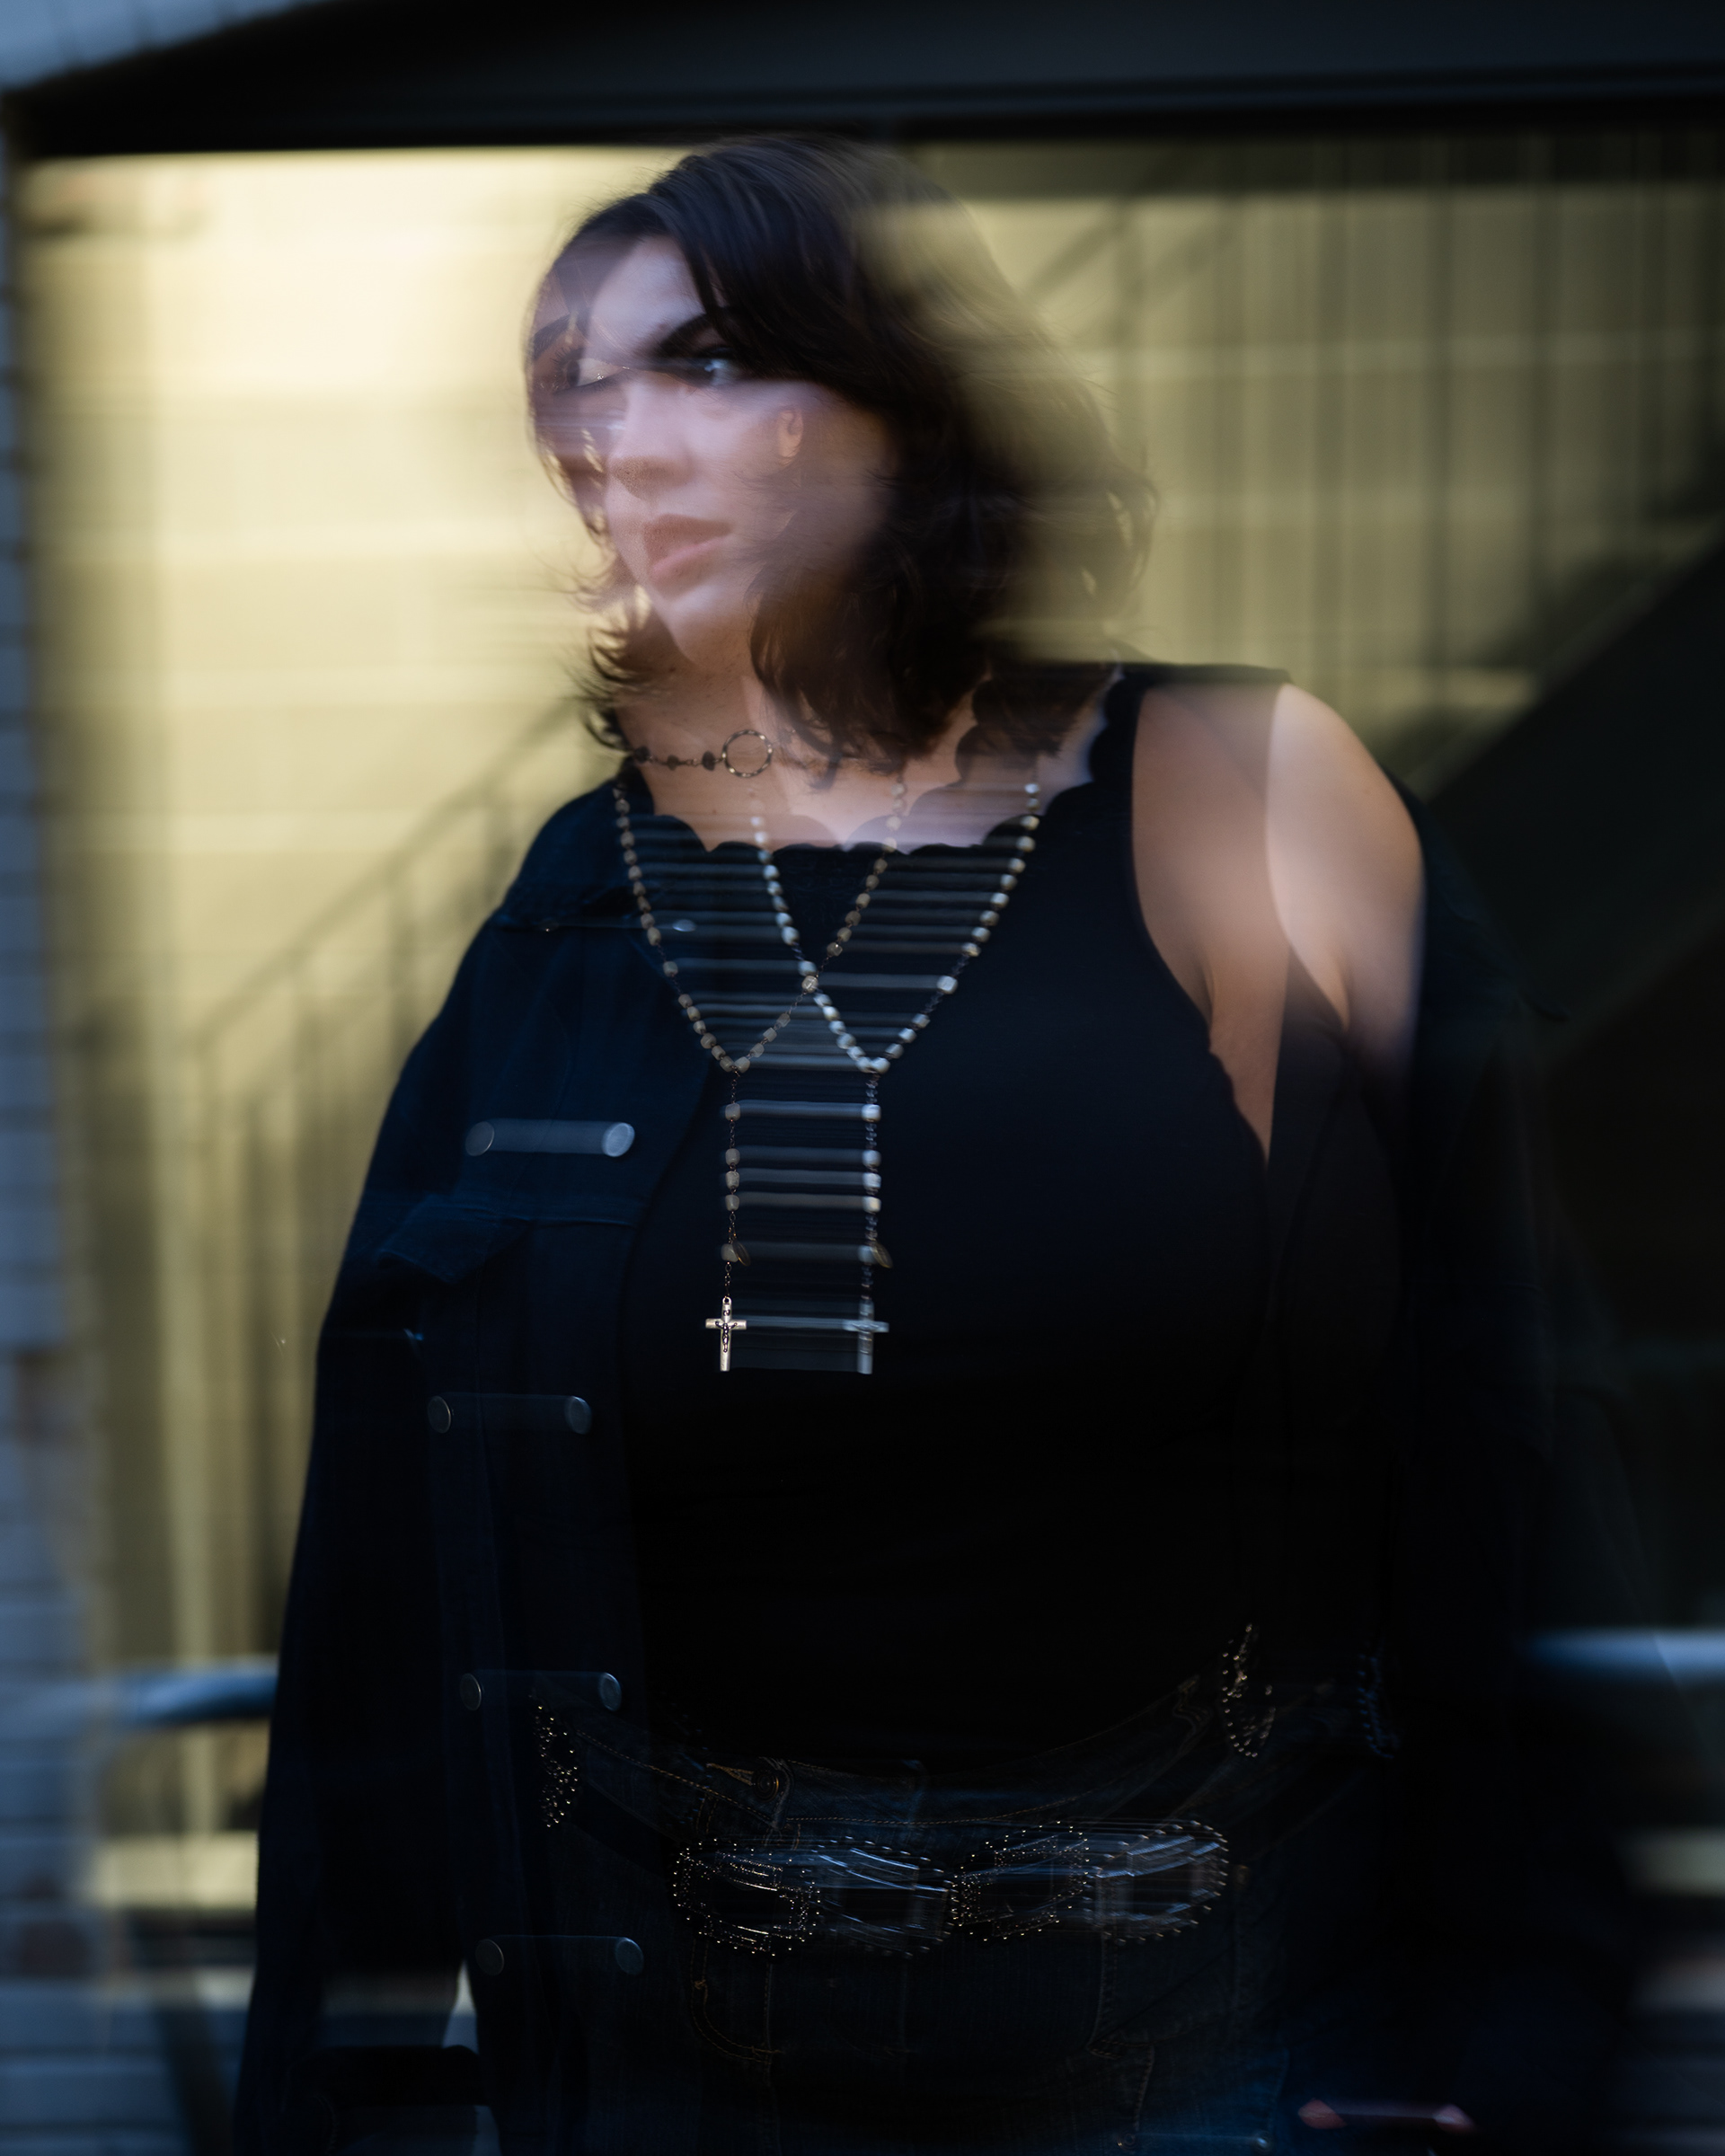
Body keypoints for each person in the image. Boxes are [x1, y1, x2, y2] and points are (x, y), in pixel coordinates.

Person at [236, 138, 1647, 2156]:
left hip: (1233, 2048)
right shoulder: (575, 911)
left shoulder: (1240, 794)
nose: (612, 434)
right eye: (572, 383)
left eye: (703, 359)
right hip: (696, 2079)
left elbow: (1507, 1427)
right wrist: (346, 2093)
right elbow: (391, 1571)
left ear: (899, 403)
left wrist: (1524, 2030)